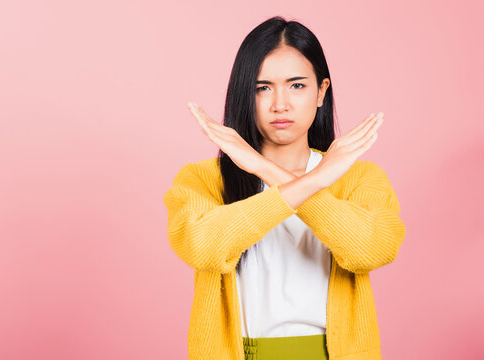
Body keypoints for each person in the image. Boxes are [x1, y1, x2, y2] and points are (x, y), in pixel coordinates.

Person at [163, 16, 406, 360]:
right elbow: (202, 248)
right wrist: (294, 176)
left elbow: (369, 250)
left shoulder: (359, 178)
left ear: (322, 91)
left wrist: (274, 172)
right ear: (244, 95)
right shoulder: (203, 179)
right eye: (262, 88)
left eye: (297, 86)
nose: (280, 104)